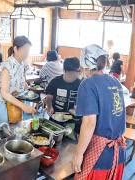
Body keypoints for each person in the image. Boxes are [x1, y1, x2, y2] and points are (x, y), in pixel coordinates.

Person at [72, 44, 126, 180]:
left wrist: (78, 154)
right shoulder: (116, 82)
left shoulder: (88, 84)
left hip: (99, 156)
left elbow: (90, 122)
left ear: (85, 64)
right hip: (118, 154)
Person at [0, 36, 36, 129]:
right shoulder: (7, 66)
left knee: (16, 129)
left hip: (15, 101)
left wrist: (27, 88)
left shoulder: (22, 63)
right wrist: (23, 106)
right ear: (15, 49)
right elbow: (4, 93)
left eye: (28, 51)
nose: (27, 54)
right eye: (25, 50)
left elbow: (22, 82)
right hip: (1, 101)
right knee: (4, 131)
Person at [45, 57, 82, 133]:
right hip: (56, 117)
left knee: (70, 141)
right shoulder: (55, 81)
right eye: (70, 75)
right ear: (64, 71)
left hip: (73, 120)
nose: (72, 78)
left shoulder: (80, 84)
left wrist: (78, 109)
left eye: (75, 75)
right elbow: (49, 97)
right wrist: (49, 106)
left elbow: (83, 101)